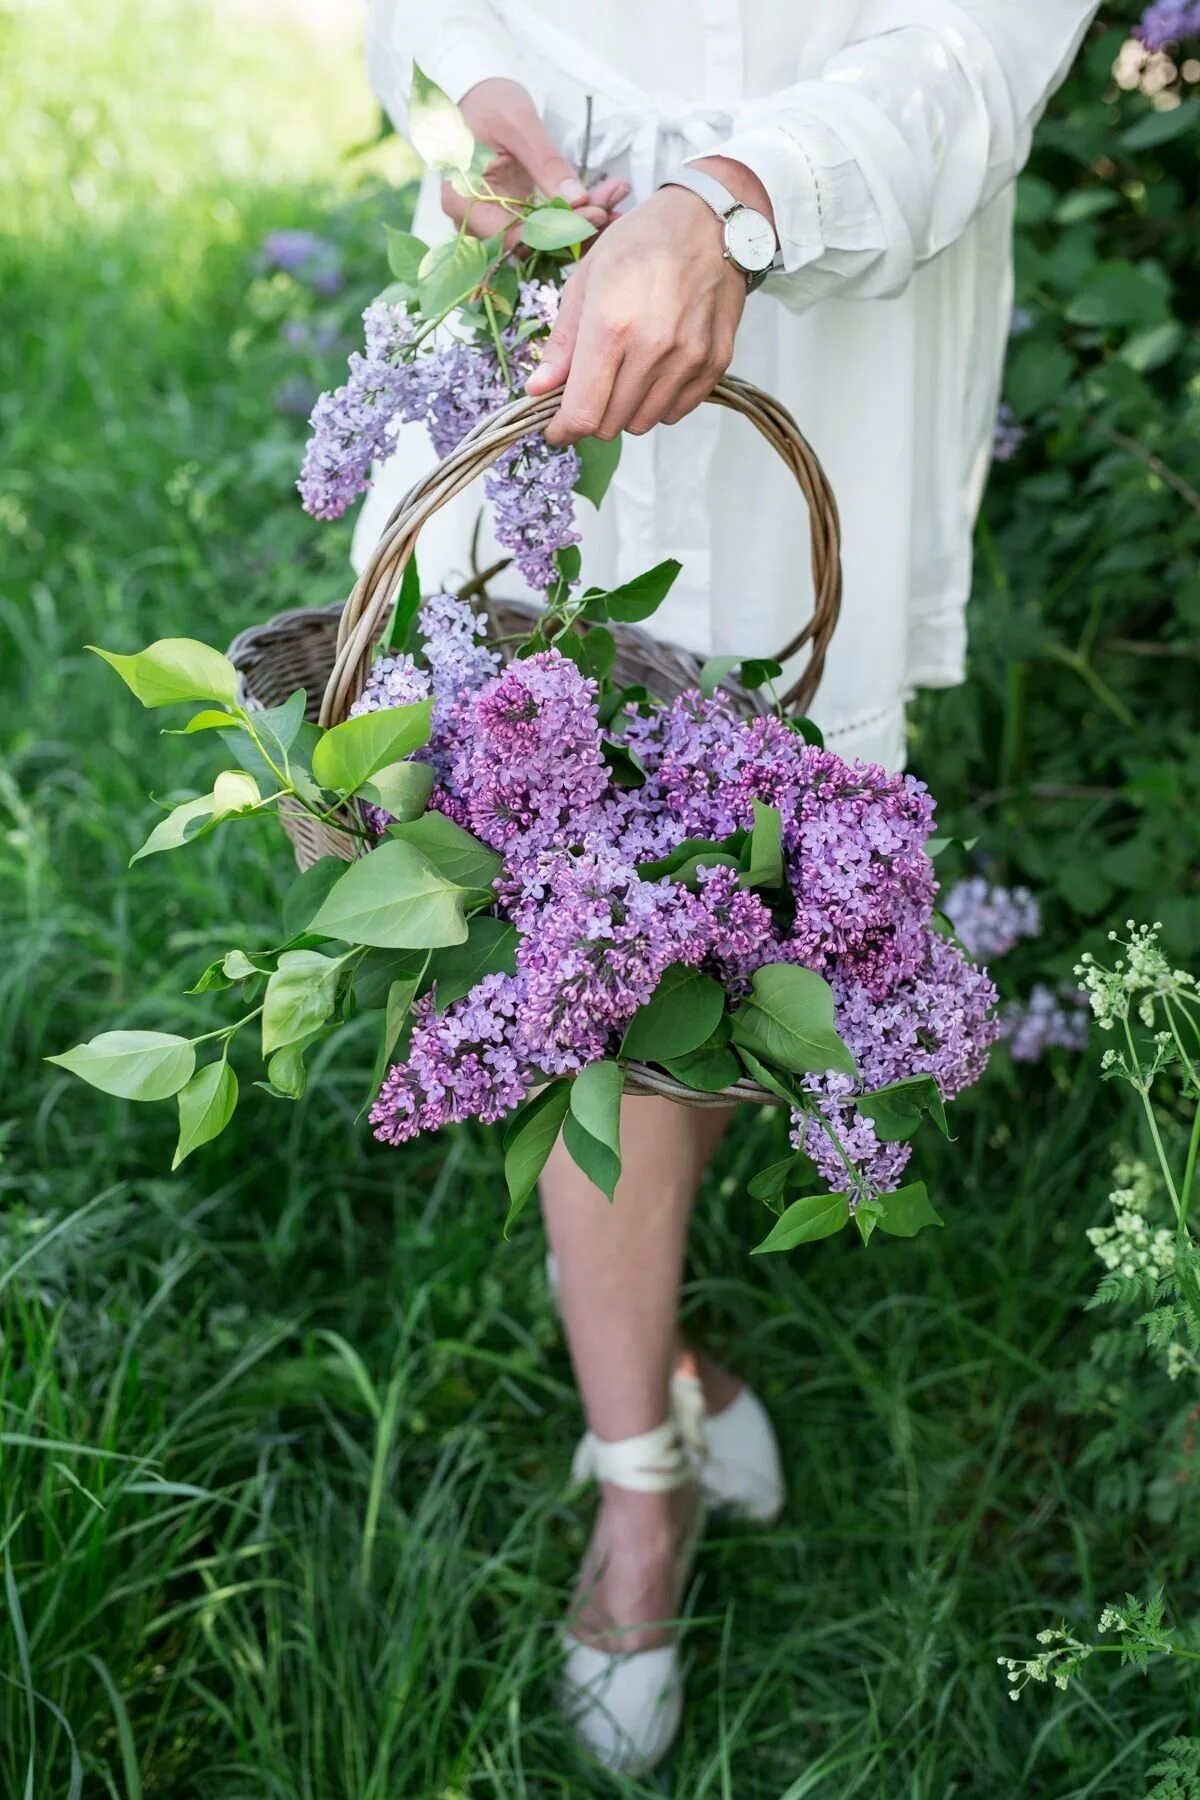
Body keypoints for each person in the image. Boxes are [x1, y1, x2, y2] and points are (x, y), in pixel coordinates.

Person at [358, 0, 1098, 1772]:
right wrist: (492, 99)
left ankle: (662, 1360)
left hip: (824, 320)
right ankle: (641, 1472)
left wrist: (735, 204)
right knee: (553, 900)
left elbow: (983, 43)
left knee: (722, 885)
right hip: (543, 297)